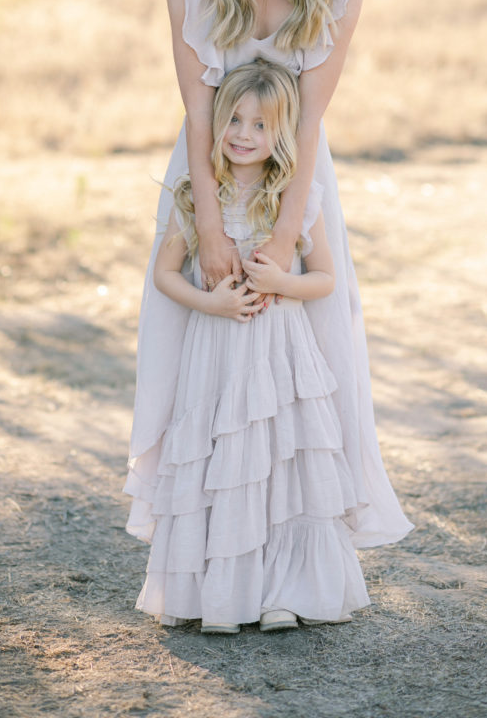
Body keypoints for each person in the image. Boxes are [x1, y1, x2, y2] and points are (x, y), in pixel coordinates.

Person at [124, 0, 412, 621]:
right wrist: (209, 228)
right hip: (205, 183)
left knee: (301, 377)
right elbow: (196, 110)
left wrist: (285, 243)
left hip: (297, 184)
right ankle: (206, 572)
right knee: (198, 370)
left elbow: (310, 123)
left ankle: (292, 576)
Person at [139, 59, 370, 631]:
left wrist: (281, 283)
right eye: (234, 120)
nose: (244, 134)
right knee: (223, 466)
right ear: (216, 123)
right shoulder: (199, 194)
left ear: (283, 134)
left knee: (279, 466)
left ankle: (286, 592)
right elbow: (164, 275)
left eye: (261, 125)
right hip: (215, 350)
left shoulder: (294, 197)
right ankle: (218, 595)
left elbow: (325, 279)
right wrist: (210, 302)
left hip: (279, 355)